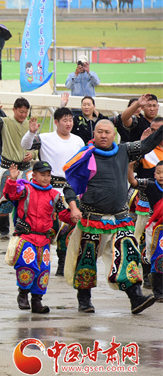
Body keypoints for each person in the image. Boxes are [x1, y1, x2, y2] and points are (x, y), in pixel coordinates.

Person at [62, 96, 162, 315]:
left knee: (128, 258)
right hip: (91, 220)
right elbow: (69, 185)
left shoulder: (124, 150)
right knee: (85, 261)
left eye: (108, 132)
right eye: (100, 132)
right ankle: (84, 301)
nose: (104, 135)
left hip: (120, 219)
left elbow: (147, 144)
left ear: (114, 134)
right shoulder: (84, 155)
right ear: (94, 134)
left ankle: (136, 298)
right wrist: (74, 207)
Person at [21, 107, 85, 276]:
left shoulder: (78, 140)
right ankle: (41, 260)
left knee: (70, 227)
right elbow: (26, 145)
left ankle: (63, 264)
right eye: (64, 120)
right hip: (48, 189)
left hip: (71, 190)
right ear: (56, 122)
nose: (68, 123)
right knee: (49, 227)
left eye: (70, 120)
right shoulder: (45, 138)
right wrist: (31, 132)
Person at [3, 162, 72, 314]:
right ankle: (22, 294)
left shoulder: (54, 196)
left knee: (43, 271)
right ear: (34, 175)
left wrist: (75, 214)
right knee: (27, 264)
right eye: (43, 175)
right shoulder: (25, 190)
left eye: (48, 175)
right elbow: (10, 195)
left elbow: (63, 214)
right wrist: (12, 180)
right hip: (26, 236)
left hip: (44, 239)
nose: (46, 178)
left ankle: (37, 301)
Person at [0, 97, 32, 240]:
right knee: (4, 200)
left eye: (25, 112)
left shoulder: (30, 125)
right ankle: (4, 232)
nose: (23, 115)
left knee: (26, 200)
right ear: (14, 110)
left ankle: (22, 228)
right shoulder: (4, 122)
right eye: (20, 112)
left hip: (25, 169)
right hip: (8, 167)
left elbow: (36, 144)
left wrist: (33, 154)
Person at [128, 117, 163, 288]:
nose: (155, 134)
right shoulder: (144, 150)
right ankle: (147, 274)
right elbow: (132, 168)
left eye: (159, 130)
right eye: (153, 130)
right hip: (145, 201)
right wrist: (141, 144)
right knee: (143, 240)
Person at [129, 159, 163, 302]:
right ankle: (159, 292)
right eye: (159, 173)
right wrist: (129, 168)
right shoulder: (150, 185)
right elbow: (133, 182)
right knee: (157, 258)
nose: (161, 176)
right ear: (154, 174)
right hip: (156, 227)